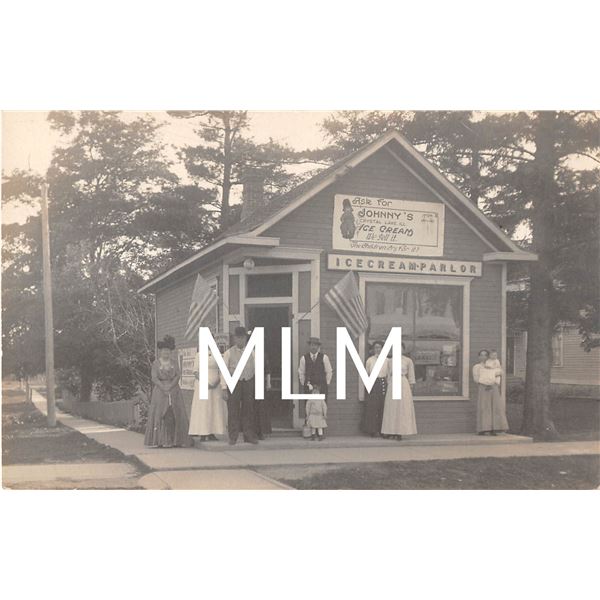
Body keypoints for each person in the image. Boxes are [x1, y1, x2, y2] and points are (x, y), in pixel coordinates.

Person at [144, 335, 191, 448]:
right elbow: (154, 378)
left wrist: (171, 385)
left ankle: (177, 440)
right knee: (161, 413)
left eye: (168, 351)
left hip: (174, 390)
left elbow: (178, 375)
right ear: (160, 352)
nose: (166, 353)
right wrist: (163, 387)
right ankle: (160, 440)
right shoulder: (156, 363)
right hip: (160, 391)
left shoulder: (174, 362)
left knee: (175, 412)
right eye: (164, 351)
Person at [221, 326, 259, 445]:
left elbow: (256, 369)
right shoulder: (228, 353)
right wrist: (223, 388)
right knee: (233, 410)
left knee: (248, 410)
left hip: (248, 382)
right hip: (233, 383)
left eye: (243, 338)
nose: (240, 340)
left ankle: (248, 435)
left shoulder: (252, 353)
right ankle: (233, 436)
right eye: (238, 338)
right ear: (234, 339)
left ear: (246, 339)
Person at [188, 346, 227, 441]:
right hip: (202, 385)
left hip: (215, 385)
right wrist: (205, 382)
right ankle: (203, 432)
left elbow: (221, 370)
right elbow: (195, 372)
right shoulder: (199, 355)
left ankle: (212, 432)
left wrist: (217, 382)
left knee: (214, 408)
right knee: (204, 408)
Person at [381, 343, 417, 440]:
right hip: (393, 384)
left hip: (403, 384)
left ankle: (400, 432)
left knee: (401, 408)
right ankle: (390, 431)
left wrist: (410, 387)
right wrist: (390, 384)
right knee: (391, 408)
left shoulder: (408, 361)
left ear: (403, 350)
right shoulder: (390, 361)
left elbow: (411, 376)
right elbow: (388, 374)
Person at [473, 349, 508, 436]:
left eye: (485, 355)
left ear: (488, 356)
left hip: (493, 386)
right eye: (481, 355)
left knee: (496, 407)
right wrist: (486, 380)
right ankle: (485, 429)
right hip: (483, 387)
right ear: (478, 357)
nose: (483, 357)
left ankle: (497, 428)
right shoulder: (477, 367)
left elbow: (500, 372)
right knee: (485, 407)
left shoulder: (494, 364)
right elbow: (476, 379)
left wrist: (492, 377)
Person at [363, 340, 389, 437]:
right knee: (372, 408)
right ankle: (372, 430)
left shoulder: (387, 361)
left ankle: (383, 430)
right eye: (376, 347)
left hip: (383, 383)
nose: (378, 349)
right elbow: (367, 373)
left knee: (383, 407)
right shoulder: (370, 360)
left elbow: (388, 375)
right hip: (373, 383)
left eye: (379, 347)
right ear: (373, 349)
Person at [298, 337, 333, 401]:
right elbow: (301, 372)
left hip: (321, 387)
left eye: (315, 345)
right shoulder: (304, 358)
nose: (313, 347)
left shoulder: (324, 357)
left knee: (321, 407)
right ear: (309, 346)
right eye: (312, 345)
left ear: (318, 347)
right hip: (309, 387)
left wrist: (326, 383)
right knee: (309, 407)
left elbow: (329, 371)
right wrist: (304, 384)